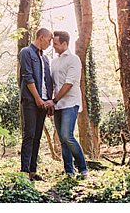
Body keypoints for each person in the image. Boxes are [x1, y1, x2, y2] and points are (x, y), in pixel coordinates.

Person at [51, 30, 89, 178]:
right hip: (57, 105)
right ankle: (69, 171)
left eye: (55, 43)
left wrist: (54, 100)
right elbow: (52, 84)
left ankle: (83, 168)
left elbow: (69, 84)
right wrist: (51, 103)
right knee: (62, 139)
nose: (53, 46)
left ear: (64, 44)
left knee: (67, 135)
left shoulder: (74, 60)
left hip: (70, 103)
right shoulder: (54, 62)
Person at [19, 27, 54, 181]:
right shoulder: (26, 52)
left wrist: (48, 101)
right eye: (49, 39)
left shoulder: (45, 59)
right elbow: (28, 77)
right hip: (31, 101)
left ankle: (33, 171)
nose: (50, 43)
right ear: (41, 37)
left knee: (37, 136)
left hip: (43, 103)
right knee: (29, 134)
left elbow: (48, 82)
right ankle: (24, 171)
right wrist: (37, 98)